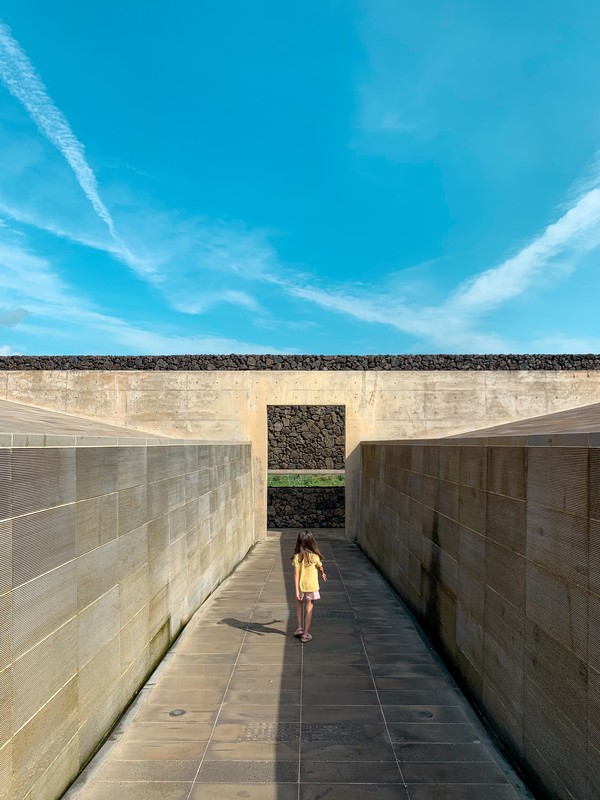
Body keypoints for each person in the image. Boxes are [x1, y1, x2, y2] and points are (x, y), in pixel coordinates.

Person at [291, 529, 327, 643]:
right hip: (312, 586)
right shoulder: (315, 556)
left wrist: (297, 590)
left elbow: (296, 574)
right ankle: (306, 635)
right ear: (311, 542)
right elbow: (320, 566)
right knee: (309, 608)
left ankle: (299, 628)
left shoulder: (297, 557)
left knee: (299, 605)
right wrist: (322, 573)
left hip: (301, 586)